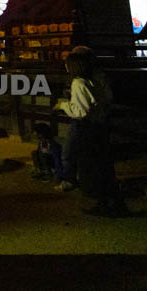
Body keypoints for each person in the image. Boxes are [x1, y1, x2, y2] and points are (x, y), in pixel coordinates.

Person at [55, 48, 126, 215]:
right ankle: (112, 202)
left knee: (93, 166)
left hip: (88, 128)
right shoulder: (93, 80)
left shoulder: (79, 82)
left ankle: (103, 202)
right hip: (99, 127)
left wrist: (63, 105)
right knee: (103, 166)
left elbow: (81, 111)